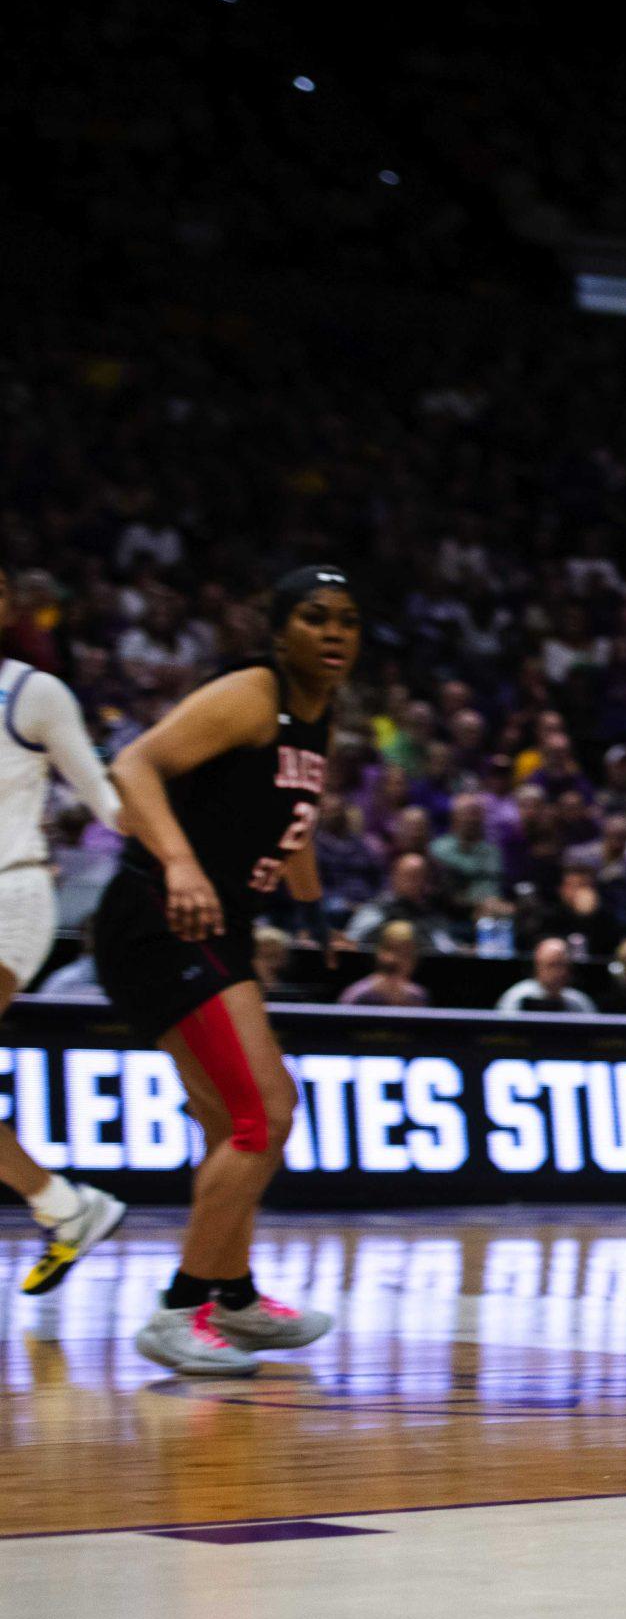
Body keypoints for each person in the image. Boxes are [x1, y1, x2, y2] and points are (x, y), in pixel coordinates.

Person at [95, 565, 362, 1374]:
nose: (333, 632)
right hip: (164, 914)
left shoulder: (319, 716)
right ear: (279, 630)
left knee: (233, 1122)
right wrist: (180, 863)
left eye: (347, 619)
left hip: (220, 924)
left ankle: (234, 1297)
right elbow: (132, 765)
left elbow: (295, 820)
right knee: (265, 1113)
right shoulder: (252, 690)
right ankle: (180, 1310)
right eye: (314, 617)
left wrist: (315, 914)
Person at [0, 564, 131, 1296]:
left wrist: (179, 851)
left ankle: (67, 1205)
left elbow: (108, 798)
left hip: (11, 890)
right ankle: (64, 1205)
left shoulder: (31, 691)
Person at [336, 920, 429, 1008]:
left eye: (406, 953)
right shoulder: (359, 995)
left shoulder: (418, 996)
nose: (396, 959)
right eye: (391, 949)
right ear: (379, 952)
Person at [497, 937, 598, 1015]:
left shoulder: (578, 1002)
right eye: (552, 965)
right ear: (537, 966)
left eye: (563, 965)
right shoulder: (517, 998)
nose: (560, 972)